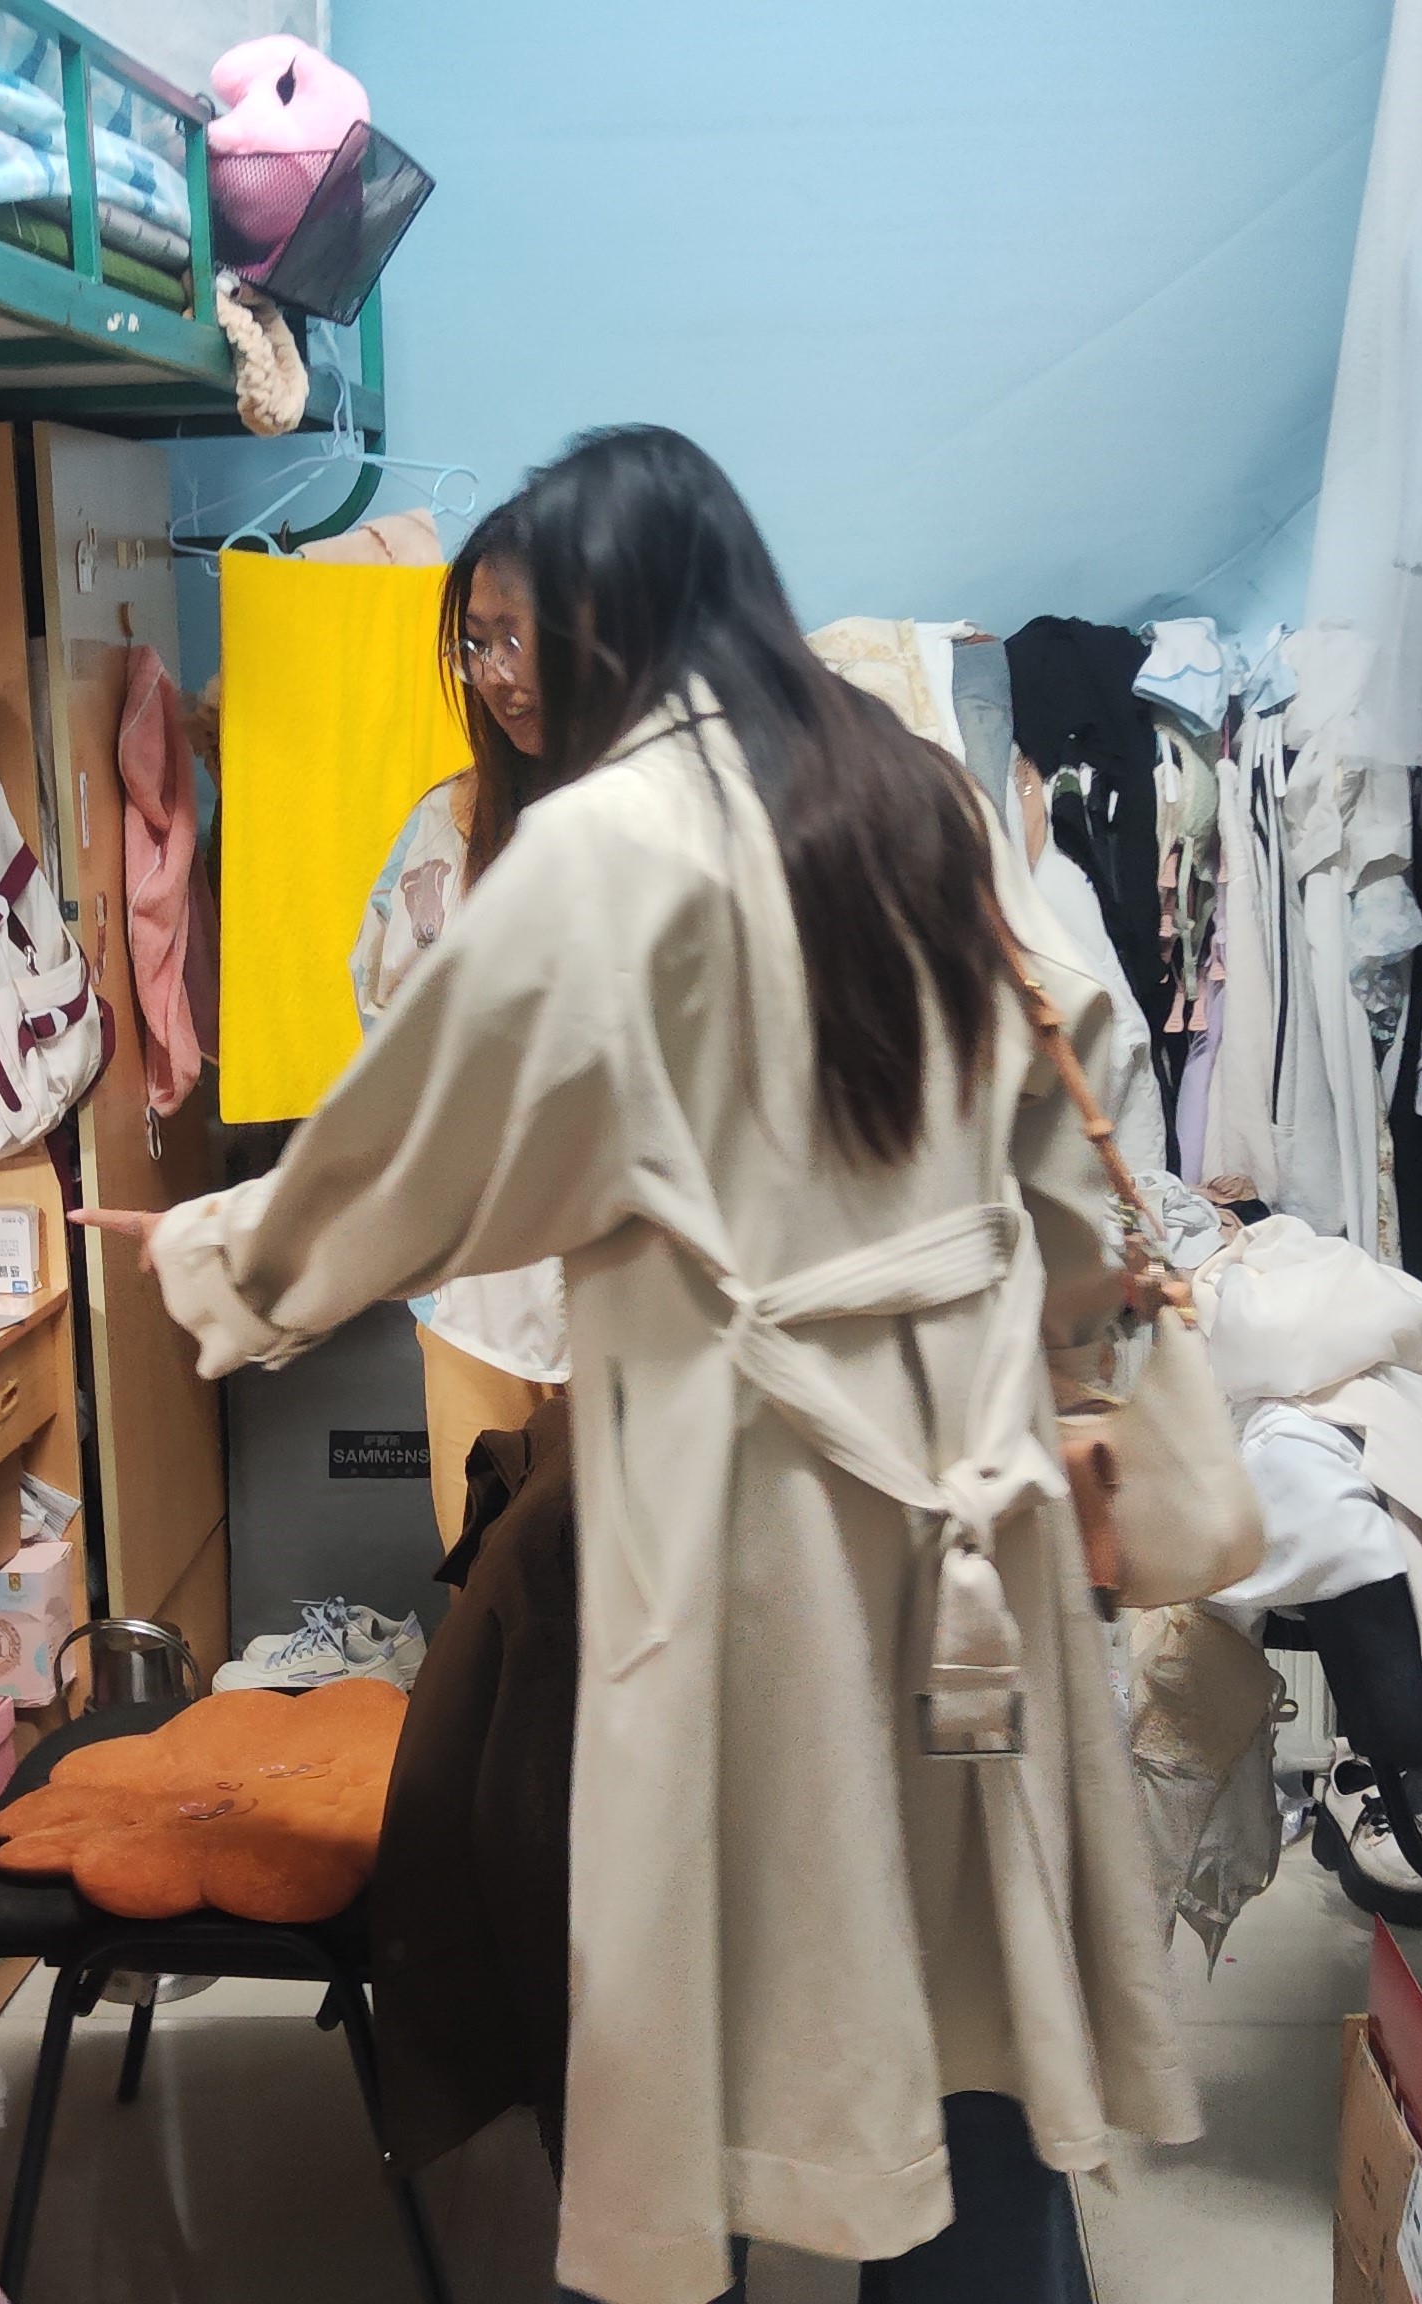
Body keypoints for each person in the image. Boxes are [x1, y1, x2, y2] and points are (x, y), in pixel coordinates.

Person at [81, 427, 1194, 2304]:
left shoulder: (608, 845)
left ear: (611, 622)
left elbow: (428, 1142)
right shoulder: (909, 789)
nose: (505, 673)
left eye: (528, 630)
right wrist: (1080, 1369)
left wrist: (221, 1248)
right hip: (970, 1492)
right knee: (967, 1986)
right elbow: (1068, 1094)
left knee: (700, 2004)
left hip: (761, 1513)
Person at [347, 502, 570, 1551]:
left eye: (518, 637)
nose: (498, 674)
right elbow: (384, 1027)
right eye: (476, 645)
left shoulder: (670, 823)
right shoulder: (445, 827)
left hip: (635, 1302)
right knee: (490, 1589)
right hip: (475, 1301)